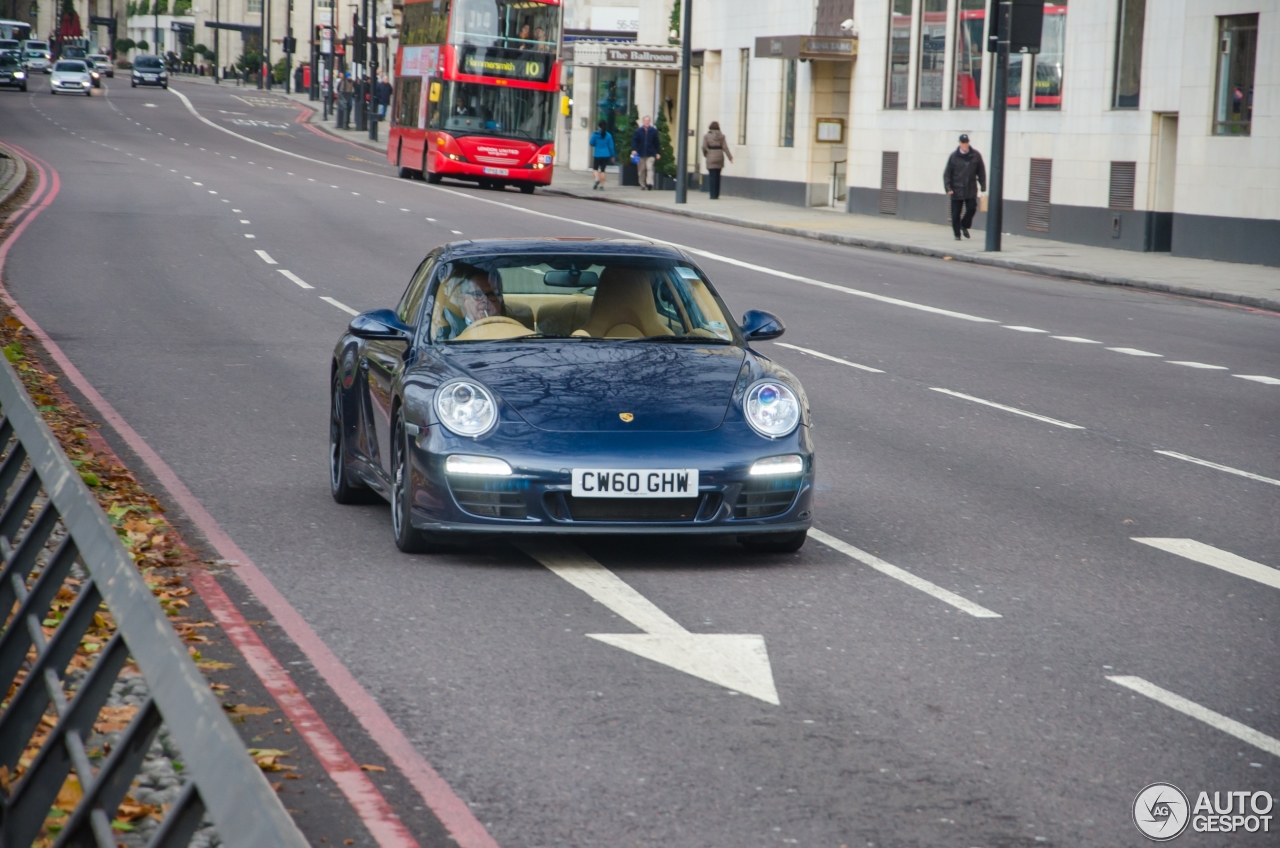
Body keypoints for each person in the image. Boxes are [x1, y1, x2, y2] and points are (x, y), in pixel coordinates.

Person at [438, 268, 505, 339]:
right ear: (464, 299)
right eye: (477, 294)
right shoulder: (447, 335)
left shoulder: (513, 330)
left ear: (500, 298)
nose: (485, 300)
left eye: (492, 294)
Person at [943, 133, 986, 240]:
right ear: (959, 143)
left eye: (966, 142)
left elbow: (981, 172)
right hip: (956, 189)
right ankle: (957, 234)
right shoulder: (953, 157)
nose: (965, 145)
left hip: (970, 188)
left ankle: (964, 224)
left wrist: (983, 186)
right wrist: (948, 187)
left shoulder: (975, 155)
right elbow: (947, 173)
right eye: (963, 142)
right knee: (956, 213)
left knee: (972, 208)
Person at [701, 121, 733, 200]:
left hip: (710, 156)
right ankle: (717, 194)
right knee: (718, 176)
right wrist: (730, 157)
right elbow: (725, 148)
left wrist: (706, 154)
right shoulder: (722, 136)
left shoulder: (707, 136)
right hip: (719, 156)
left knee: (712, 176)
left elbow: (703, 147)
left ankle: (712, 195)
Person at [631, 115, 660, 190]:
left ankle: (649, 183)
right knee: (641, 170)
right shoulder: (638, 131)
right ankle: (642, 184)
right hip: (640, 154)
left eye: (648, 121)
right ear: (643, 122)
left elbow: (657, 142)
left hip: (651, 154)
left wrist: (658, 152)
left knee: (649, 168)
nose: (647, 122)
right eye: (645, 121)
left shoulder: (653, 131)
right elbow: (634, 141)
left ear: (649, 122)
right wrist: (634, 149)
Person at [589, 120, 615, 190]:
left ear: (598, 126)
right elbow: (611, 146)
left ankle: (597, 179)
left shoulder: (595, 134)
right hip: (606, 155)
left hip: (597, 154)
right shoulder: (608, 135)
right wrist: (612, 155)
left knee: (595, 169)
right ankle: (602, 186)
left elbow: (591, 143)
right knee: (603, 170)